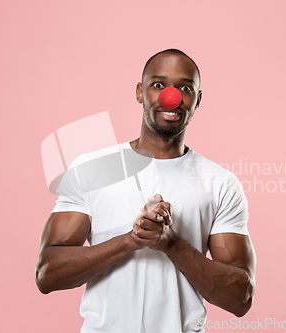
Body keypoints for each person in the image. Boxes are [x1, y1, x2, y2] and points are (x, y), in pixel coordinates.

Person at [35, 49, 256, 332]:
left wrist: (170, 243)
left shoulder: (220, 183)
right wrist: (132, 240)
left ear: (197, 100)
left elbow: (241, 297)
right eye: (159, 85)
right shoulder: (92, 168)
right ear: (140, 93)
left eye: (185, 88)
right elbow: (47, 273)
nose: (170, 97)